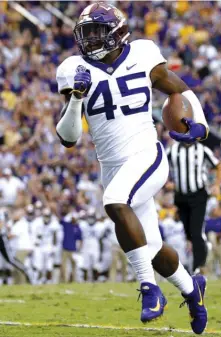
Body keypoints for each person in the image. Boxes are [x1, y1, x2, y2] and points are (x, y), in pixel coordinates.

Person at [55, 3, 207, 332]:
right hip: (112, 166)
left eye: (97, 32)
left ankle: (150, 289)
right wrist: (77, 99)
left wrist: (202, 124)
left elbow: (178, 87)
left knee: (115, 202)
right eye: (87, 33)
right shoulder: (73, 68)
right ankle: (192, 290)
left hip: (146, 155)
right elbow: (68, 138)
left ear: (118, 32)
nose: (91, 40)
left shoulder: (143, 53)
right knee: (150, 246)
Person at [167, 141, 221, 273]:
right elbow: (160, 164)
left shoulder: (202, 149)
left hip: (198, 195)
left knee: (196, 232)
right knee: (188, 232)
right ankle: (202, 253)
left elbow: (218, 165)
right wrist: (167, 181)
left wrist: (217, 185)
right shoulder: (172, 150)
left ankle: (199, 266)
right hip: (180, 196)